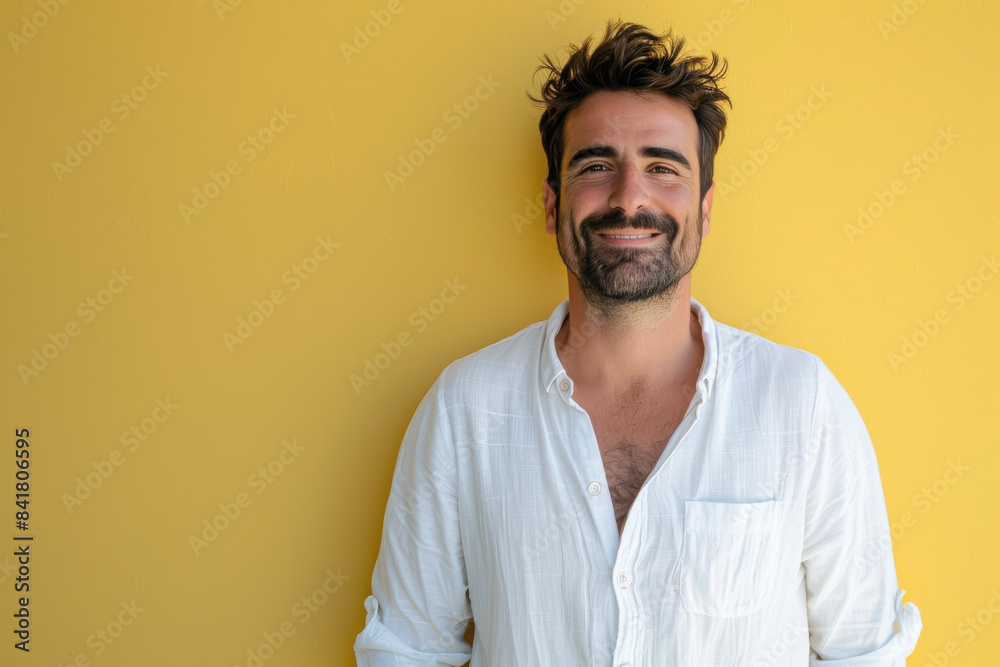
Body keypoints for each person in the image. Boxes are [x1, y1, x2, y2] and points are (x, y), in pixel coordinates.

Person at [354, 18, 922, 666]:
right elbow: (404, 652)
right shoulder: (464, 411)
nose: (630, 197)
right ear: (550, 205)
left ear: (704, 210)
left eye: (663, 167)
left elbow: (864, 654)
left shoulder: (803, 405)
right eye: (597, 165)